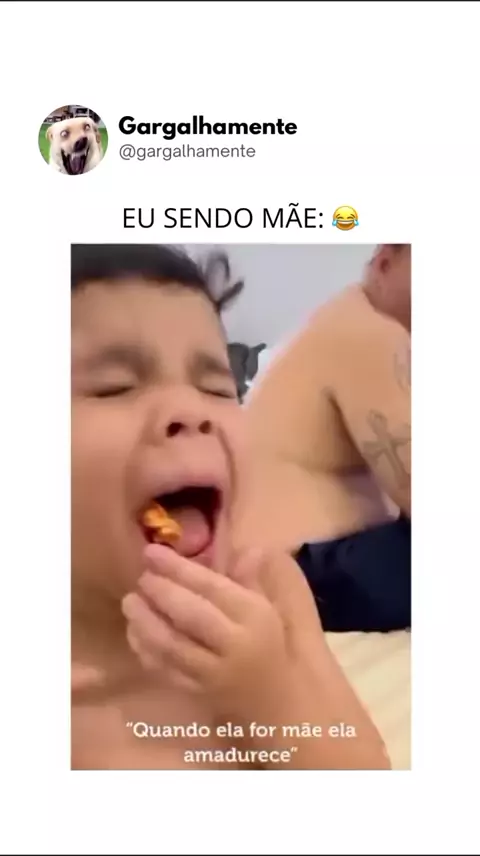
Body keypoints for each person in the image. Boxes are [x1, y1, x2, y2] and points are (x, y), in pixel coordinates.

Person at [71, 243, 389, 770]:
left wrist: (269, 698)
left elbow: (366, 774)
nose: (191, 409)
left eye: (217, 388)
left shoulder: (272, 590)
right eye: (114, 388)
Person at [233, 244, 411, 633]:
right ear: (385, 262)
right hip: (299, 570)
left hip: (306, 568)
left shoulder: (342, 321)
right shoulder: (369, 332)